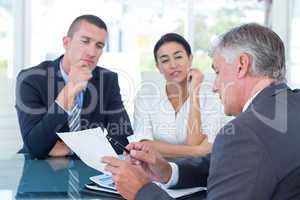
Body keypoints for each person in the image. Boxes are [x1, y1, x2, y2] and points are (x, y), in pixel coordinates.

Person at [102, 23, 300, 200]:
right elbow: (230, 164)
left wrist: (142, 191)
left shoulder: (244, 133)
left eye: (217, 72)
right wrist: (168, 171)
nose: (215, 86)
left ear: (241, 65)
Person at [15, 15, 133, 159]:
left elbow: (123, 140)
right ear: (66, 42)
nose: (92, 52)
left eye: (99, 45)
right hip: (38, 169)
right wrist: (68, 92)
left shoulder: (107, 80)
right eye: (85, 41)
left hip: (88, 168)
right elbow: (35, 147)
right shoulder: (30, 79)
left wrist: (71, 150)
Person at [131, 33, 224, 158]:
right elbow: (142, 143)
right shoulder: (145, 96)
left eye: (178, 57)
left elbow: (195, 143)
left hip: (198, 172)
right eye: (165, 60)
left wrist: (194, 91)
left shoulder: (211, 95)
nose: (173, 65)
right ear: (158, 67)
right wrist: (197, 151)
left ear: (190, 59)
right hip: (156, 169)